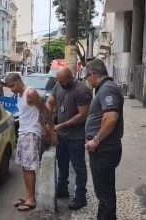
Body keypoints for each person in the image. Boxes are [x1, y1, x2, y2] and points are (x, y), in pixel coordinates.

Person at [46, 67, 92, 210]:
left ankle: (80, 197)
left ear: (71, 78)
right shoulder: (58, 85)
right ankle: (62, 189)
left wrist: (62, 125)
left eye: (62, 81)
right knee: (62, 164)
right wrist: (47, 116)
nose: (59, 84)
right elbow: (51, 101)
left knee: (79, 167)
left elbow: (83, 115)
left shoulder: (82, 90)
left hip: (76, 136)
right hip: (62, 136)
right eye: (58, 81)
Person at [5, 73, 52, 212]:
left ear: (19, 81)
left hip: (31, 132)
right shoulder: (19, 95)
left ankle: (31, 199)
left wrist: (48, 129)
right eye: (9, 87)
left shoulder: (30, 93)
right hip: (23, 132)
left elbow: (43, 110)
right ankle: (27, 196)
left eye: (13, 86)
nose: (12, 89)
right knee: (25, 167)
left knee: (29, 167)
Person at [84, 59, 124, 220]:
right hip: (103, 149)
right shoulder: (104, 88)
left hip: (104, 150)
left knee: (105, 194)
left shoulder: (107, 89)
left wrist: (96, 140)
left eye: (87, 76)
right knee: (104, 192)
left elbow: (111, 118)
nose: (86, 79)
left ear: (93, 74)